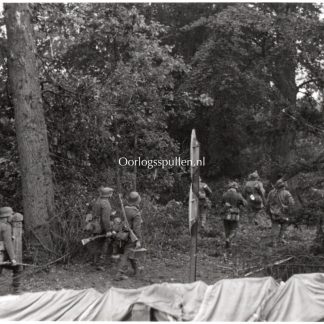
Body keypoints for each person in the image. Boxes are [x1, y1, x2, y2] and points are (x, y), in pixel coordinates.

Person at [115, 191, 142, 281]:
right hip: (130, 236)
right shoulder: (136, 213)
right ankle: (119, 274)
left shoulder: (124, 209)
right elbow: (137, 229)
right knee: (127, 254)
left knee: (130, 252)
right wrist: (138, 240)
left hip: (123, 235)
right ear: (137, 201)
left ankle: (137, 270)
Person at [266, 179, 295, 247]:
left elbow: (267, 203)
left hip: (273, 213)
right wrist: (287, 207)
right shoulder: (286, 193)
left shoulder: (271, 192)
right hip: (283, 213)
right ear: (283, 185)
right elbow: (292, 203)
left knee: (274, 226)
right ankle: (280, 239)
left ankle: (274, 242)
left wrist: (268, 211)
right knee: (284, 225)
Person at [91, 187, 114, 267]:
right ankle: (101, 263)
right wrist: (108, 230)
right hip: (101, 226)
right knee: (106, 242)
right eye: (111, 193)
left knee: (97, 243)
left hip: (94, 225)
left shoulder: (98, 201)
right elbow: (105, 219)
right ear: (109, 194)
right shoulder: (106, 203)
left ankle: (95, 261)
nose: (112, 194)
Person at [0, 207, 20, 293]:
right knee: (18, 268)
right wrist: (12, 258)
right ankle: (16, 290)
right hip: (1, 254)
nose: (12, 216)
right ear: (6, 217)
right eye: (11, 215)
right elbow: (8, 243)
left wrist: (10, 236)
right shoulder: (6, 226)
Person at [221, 182, 246, 252]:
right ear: (236, 188)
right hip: (235, 214)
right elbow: (244, 204)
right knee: (234, 229)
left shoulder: (225, 194)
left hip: (226, 214)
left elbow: (222, 203)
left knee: (227, 229)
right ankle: (228, 239)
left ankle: (227, 244)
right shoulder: (238, 195)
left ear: (229, 187)